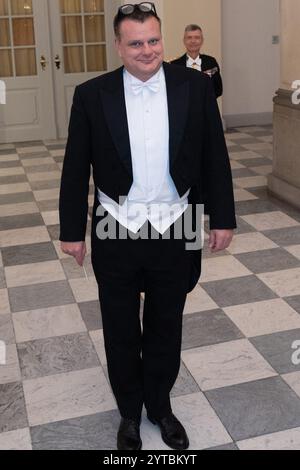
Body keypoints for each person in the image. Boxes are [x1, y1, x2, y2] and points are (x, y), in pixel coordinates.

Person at [59, 2, 236, 451]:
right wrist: (71, 230)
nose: (147, 50)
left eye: (153, 40)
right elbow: (75, 166)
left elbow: (215, 155)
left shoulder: (195, 87)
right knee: (120, 327)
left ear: (163, 39)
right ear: (118, 47)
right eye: (135, 43)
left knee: (166, 323)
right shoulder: (91, 94)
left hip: (176, 224)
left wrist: (223, 218)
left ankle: (160, 406)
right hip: (115, 226)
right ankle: (129, 413)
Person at [171, 24, 223, 98]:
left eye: (197, 37)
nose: (193, 41)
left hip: (207, 108)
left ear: (202, 40)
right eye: (189, 38)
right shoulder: (175, 65)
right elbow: (173, 91)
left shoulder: (211, 62)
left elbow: (218, 89)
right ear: (184, 41)